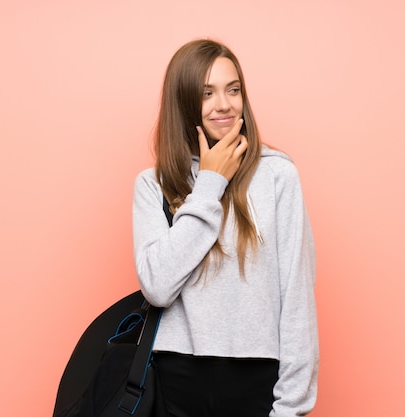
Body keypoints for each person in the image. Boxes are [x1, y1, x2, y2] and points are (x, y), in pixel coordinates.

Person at [132, 39, 318, 417]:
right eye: (207, 93)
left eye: (233, 90)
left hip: (257, 378)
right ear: (183, 103)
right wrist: (210, 184)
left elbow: (297, 297)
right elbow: (157, 286)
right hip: (174, 377)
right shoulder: (153, 183)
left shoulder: (278, 175)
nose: (225, 104)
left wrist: (293, 407)